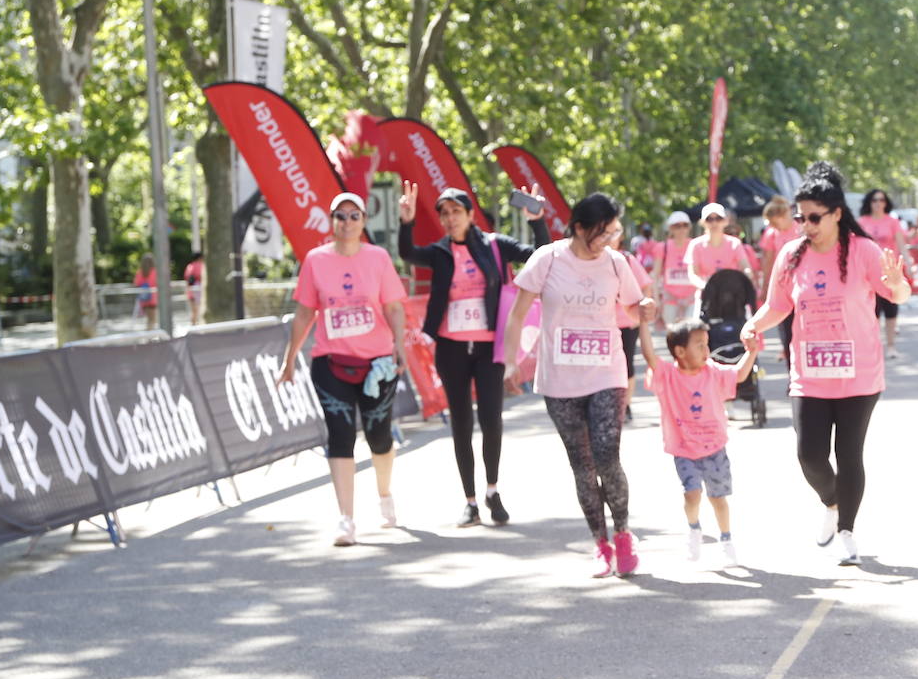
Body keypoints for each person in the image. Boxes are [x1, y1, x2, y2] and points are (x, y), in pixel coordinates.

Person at [740, 163, 910, 567]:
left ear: (836, 214)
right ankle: (831, 502)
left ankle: (848, 530)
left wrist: (898, 281)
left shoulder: (863, 251)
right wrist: (752, 323)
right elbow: (778, 306)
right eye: (800, 217)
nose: (805, 225)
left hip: (859, 375)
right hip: (810, 374)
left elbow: (898, 296)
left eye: (814, 217)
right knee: (809, 455)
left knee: (849, 454)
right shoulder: (791, 255)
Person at [502, 193, 655, 577]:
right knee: (583, 467)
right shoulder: (548, 259)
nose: (607, 240)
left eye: (613, 232)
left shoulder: (618, 264)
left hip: (607, 372)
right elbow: (518, 315)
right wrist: (509, 363)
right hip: (559, 379)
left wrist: (646, 309)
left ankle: (622, 534)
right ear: (579, 228)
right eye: (600, 233)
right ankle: (600, 544)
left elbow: (635, 310)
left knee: (607, 456)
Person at [398, 182, 550, 528]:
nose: (450, 219)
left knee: (491, 420)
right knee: (462, 423)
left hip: (488, 347)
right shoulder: (439, 252)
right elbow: (408, 254)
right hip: (451, 348)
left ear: (470, 214)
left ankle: (493, 491)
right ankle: (469, 501)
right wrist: (406, 223)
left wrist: (536, 219)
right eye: (444, 213)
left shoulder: (495, 246)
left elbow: (541, 255)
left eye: (456, 212)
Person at [280, 192, 408, 545]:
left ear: (364, 221)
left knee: (379, 435)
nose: (347, 222)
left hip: (377, 364)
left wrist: (400, 346)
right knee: (340, 434)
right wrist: (290, 358)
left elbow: (394, 308)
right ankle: (346, 519)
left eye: (354, 216)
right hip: (330, 362)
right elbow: (305, 312)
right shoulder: (316, 260)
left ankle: (384, 494)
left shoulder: (378, 258)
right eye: (340, 216)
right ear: (331, 221)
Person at [638, 317, 757, 566]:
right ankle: (694, 529)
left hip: (714, 448)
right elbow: (649, 355)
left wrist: (752, 351)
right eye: (699, 345)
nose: (706, 350)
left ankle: (726, 539)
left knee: (718, 498)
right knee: (692, 494)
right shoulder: (668, 376)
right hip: (684, 449)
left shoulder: (713, 372)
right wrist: (642, 321)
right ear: (680, 351)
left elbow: (740, 374)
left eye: (707, 344)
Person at [857, 190, 910, 360]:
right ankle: (872, 347)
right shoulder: (862, 222)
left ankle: (891, 346)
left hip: (891, 273)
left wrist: (909, 264)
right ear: (869, 202)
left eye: (881, 200)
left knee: (891, 310)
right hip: (867, 274)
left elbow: (901, 245)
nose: (878, 203)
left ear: (886, 202)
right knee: (871, 313)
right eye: (874, 200)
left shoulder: (893, 222)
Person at [610, 227, 655, 423]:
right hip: (600, 323)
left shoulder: (626, 259)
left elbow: (646, 284)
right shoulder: (590, 259)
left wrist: (644, 310)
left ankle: (624, 405)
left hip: (627, 323)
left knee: (626, 363)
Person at [759, 196, 799, 358]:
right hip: (783, 287)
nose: (772, 226)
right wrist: (765, 287)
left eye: (774, 222)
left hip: (800, 285)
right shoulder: (772, 233)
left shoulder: (800, 228)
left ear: (783, 216)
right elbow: (768, 262)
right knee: (786, 330)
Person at [685, 202, 754, 294]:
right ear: (702, 222)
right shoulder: (695, 245)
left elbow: (746, 267)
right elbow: (692, 274)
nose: (714, 223)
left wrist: (745, 276)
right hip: (706, 297)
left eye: (718, 218)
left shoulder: (735, 243)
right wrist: (706, 286)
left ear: (725, 221)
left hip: (732, 296)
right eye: (709, 219)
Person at [653, 210, 696, 327]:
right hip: (670, 298)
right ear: (671, 228)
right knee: (672, 333)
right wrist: (656, 298)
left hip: (692, 298)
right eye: (677, 226)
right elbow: (655, 275)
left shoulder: (695, 245)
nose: (682, 229)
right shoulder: (662, 247)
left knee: (690, 331)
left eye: (685, 225)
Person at [133, 253, 159, 329]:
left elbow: (136, 284)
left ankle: (149, 336)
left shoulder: (139, 272)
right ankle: (150, 337)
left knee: (149, 319)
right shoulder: (154, 272)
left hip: (143, 298)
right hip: (152, 298)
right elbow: (157, 283)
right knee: (152, 319)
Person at [183, 251, 204, 325]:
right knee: (198, 310)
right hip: (198, 291)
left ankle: (193, 327)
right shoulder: (200, 265)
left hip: (190, 291)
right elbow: (201, 276)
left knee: (194, 311)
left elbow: (187, 278)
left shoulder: (189, 266)